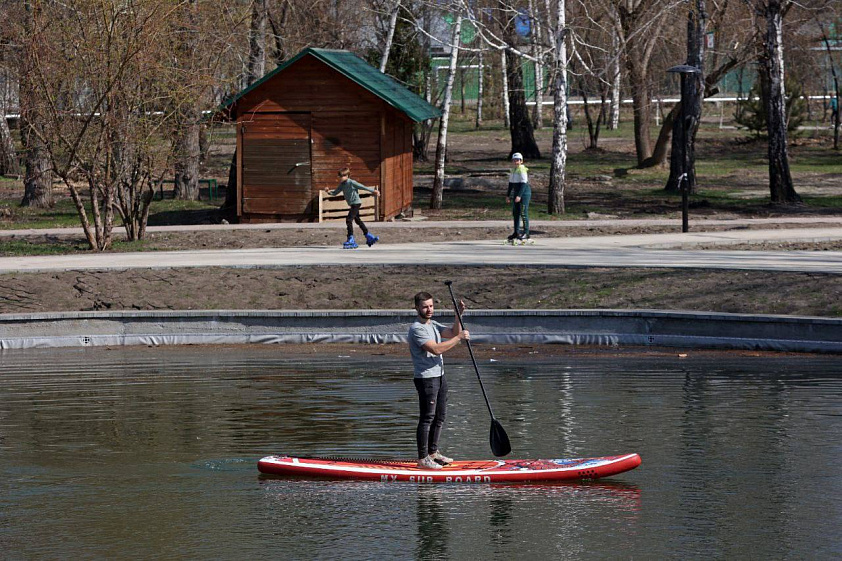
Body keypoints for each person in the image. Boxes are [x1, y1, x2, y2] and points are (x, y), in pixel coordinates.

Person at [408, 291, 470, 470]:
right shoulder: (417, 329)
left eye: (431, 306)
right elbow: (436, 349)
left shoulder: (433, 324)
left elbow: (452, 332)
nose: (429, 310)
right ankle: (422, 458)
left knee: (440, 416)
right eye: (425, 307)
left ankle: (433, 453)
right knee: (427, 417)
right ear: (417, 308)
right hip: (426, 378)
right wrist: (459, 338)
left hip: (440, 376)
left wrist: (458, 315)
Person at [324, 168, 380, 249]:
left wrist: (373, 191)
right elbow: (335, 193)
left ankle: (351, 239)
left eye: (344, 176)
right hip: (352, 204)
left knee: (349, 220)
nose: (342, 177)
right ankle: (369, 236)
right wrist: (328, 191)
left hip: (356, 203)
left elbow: (362, 187)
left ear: (347, 175)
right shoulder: (342, 185)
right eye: (340, 176)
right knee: (357, 220)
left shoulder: (351, 182)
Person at [506, 152, 532, 242]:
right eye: (514, 160)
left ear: (521, 161)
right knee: (515, 213)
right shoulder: (513, 170)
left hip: (524, 193)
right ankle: (516, 232)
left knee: (523, 212)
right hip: (516, 193)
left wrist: (519, 196)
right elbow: (510, 184)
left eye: (517, 160)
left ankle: (526, 232)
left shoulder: (522, 169)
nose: (516, 162)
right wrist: (508, 195)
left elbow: (524, 184)